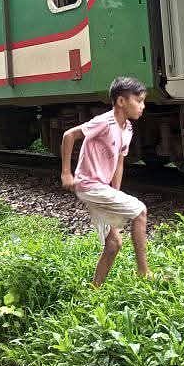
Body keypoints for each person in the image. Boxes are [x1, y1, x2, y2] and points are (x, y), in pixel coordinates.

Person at [60, 76, 151, 287]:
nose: (143, 106)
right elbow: (69, 135)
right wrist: (66, 173)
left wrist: (115, 192)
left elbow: (119, 163)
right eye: (139, 101)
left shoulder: (127, 129)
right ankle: (144, 272)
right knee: (140, 212)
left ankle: (94, 290)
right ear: (121, 101)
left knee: (113, 244)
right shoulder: (104, 122)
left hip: (100, 188)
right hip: (89, 185)